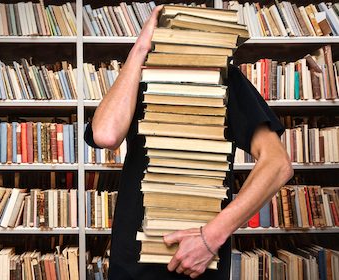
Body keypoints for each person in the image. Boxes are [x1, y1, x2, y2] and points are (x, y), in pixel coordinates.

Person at [84, 6, 294, 280]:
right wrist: (139, 50)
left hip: (200, 263)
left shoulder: (229, 82)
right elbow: (106, 135)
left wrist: (210, 237)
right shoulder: (137, 80)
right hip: (133, 262)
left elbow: (278, 165)